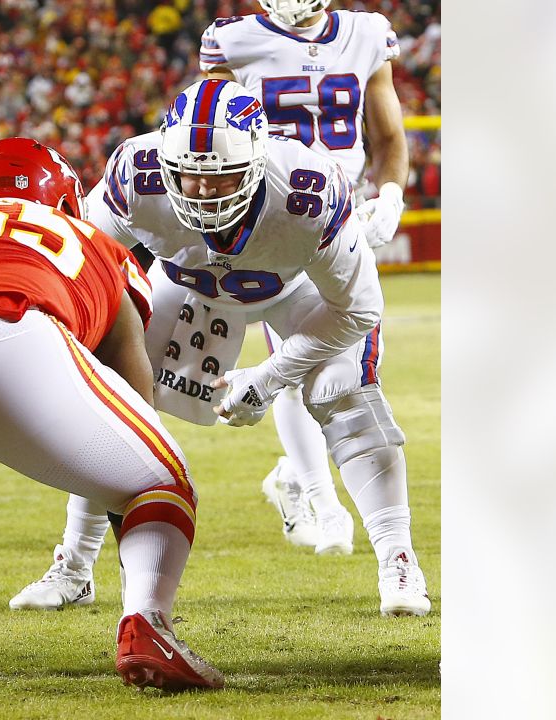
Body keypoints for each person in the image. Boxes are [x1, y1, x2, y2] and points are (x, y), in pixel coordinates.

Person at [13, 79, 431, 617]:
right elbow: (84, 267)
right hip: (189, 285)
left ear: (256, 162)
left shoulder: (309, 191)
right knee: (114, 397)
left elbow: (358, 309)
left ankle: (398, 560)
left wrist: (271, 375)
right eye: (189, 175)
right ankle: (74, 565)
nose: (203, 191)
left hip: (295, 288)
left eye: (221, 176)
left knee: (342, 391)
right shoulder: (132, 175)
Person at [0, 137, 224, 690]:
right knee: (162, 481)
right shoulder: (90, 238)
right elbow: (134, 388)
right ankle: (147, 622)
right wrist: (121, 497)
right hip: (23, 341)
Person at [198, 0, 412, 552]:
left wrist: (389, 196)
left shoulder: (366, 34)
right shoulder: (235, 40)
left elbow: (388, 136)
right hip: (274, 218)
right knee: (295, 362)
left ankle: (292, 479)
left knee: (346, 366)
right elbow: (211, 131)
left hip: (345, 214)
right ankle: (323, 502)